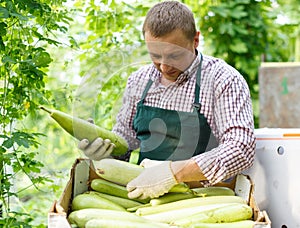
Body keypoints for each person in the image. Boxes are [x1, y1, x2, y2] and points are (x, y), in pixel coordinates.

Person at [78, 1, 256, 200]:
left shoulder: (223, 80)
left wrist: (174, 173)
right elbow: (125, 145)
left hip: (205, 200)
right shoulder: (139, 81)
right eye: (155, 55)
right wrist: (104, 153)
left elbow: (241, 148)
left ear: (196, 40)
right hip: (145, 196)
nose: (164, 67)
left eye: (175, 55)